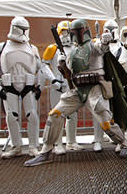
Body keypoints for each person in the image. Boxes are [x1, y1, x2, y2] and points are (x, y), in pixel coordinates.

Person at [24, 19, 127, 167]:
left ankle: (123, 143)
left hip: (94, 89)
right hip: (77, 91)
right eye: (75, 31)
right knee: (54, 114)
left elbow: (103, 47)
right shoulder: (72, 51)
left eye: (79, 31)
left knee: (105, 122)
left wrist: (106, 40)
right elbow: (70, 74)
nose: (77, 34)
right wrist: (62, 66)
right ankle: (46, 151)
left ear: (86, 30)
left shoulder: (94, 45)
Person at [0, 16, 40, 158]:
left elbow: (40, 68)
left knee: (32, 115)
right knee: (12, 116)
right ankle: (16, 146)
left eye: (25, 29)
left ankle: (33, 146)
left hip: (28, 85)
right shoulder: (2, 46)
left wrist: (39, 85)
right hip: (9, 84)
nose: (23, 32)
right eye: (21, 29)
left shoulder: (32, 47)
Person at [40, 20, 83, 155]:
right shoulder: (53, 48)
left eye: (68, 32)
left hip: (71, 84)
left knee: (73, 114)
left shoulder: (75, 47)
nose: (66, 35)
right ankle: (58, 143)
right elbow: (44, 65)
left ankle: (71, 141)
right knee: (57, 115)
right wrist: (53, 79)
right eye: (63, 32)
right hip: (58, 84)